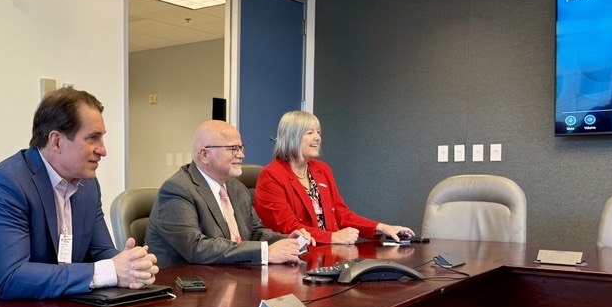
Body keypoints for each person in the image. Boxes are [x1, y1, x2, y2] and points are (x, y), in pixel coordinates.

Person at [0, 88, 158, 302]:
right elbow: (12, 278)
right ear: (56, 141)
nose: (103, 150)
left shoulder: (88, 186)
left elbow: (101, 252)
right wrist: (110, 271)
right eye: (92, 138)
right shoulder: (6, 185)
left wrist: (131, 266)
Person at [145, 120, 312, 268]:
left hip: (228, 277)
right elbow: (196, 248)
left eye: (241, 148)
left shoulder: (236, 188)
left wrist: (284, 240)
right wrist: (266, 252)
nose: (241, 155)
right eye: (233, 149)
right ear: (204, 155)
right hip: (185, 288)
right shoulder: (177, 189)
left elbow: (254, 231)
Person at [254, 111, 413, 245]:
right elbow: (288, 227)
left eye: (318, 132)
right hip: (297, 256)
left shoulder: (322, 170)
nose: (317, 137)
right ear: (292, 137)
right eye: (310, 133)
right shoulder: (272, 175)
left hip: (331, 252)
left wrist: (382, 227)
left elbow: (341, 214)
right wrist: (334, 237)